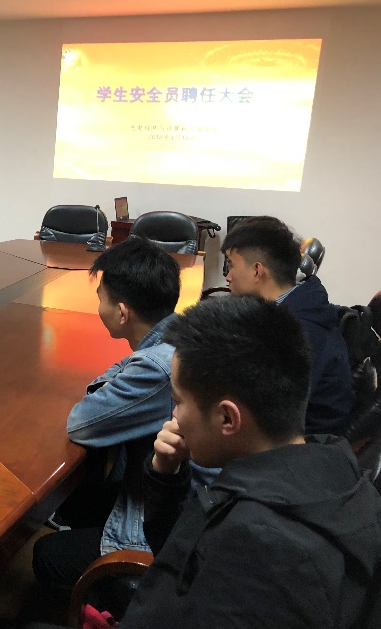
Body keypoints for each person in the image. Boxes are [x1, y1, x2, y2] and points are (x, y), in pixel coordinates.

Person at [123, 296, 381, 627]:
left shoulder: (253, 548)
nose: (174, 415)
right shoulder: (334, 466)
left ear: (227, 418)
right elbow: (184, 563)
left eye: (178, 401)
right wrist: (166, 474)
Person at [32, 237, 183, 598]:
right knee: (78, 500)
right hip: (168, 495)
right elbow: (121, 369)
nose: (98, 307)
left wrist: (109, 385)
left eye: (101, 298)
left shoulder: (155, 367)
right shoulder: (176, 334)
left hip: (159, 528)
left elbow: (82, 423)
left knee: (45, 554)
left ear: (122, 312)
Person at [222, 215, 354, 434]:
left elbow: (267, 410)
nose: (228, 277)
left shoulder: (299, 331)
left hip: (305, 444)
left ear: (257, 271)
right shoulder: (292, 309)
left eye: (231, 265)